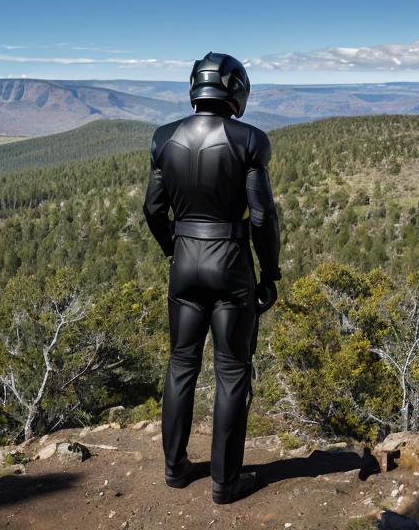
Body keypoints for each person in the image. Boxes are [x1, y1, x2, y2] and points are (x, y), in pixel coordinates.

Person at [143, 52, 281, 505]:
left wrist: (173, 249)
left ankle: (175, 468)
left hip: (184, 263)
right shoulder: (250, 140)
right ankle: (225, 483)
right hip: (231, 264)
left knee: (181, 365)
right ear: (235, 89)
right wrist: (270, 272)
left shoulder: (164, 138)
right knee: (231, 373)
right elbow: (262, 217)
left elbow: (152, 209)